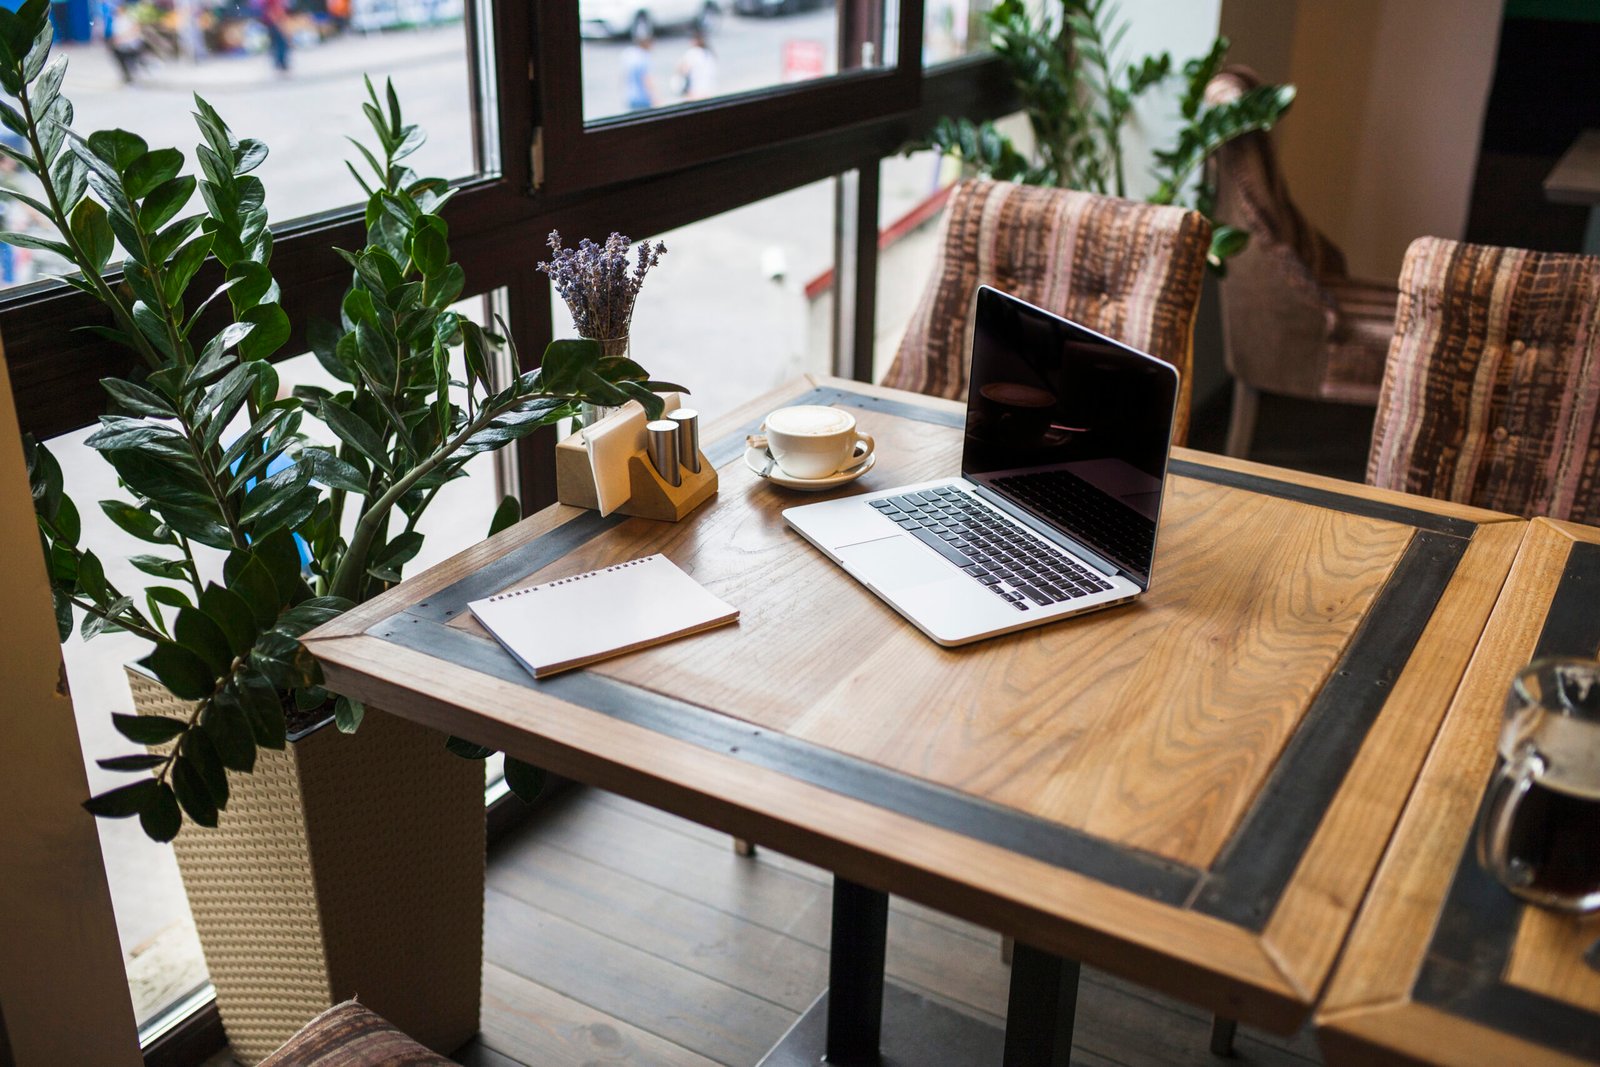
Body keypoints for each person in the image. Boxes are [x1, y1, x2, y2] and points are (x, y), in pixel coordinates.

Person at [676, 28, 716, 100]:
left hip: (695, 91)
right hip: (708, 91)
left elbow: (683, 70)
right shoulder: (709, 53)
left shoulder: (693, 53)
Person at [621, 30, 655, 111]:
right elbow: (646, 79)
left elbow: (623, 75)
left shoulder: (629, 54)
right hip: (643, 98)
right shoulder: (644, 57)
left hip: (630, 96)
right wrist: (655, 98)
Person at [258, 0, 290, 74]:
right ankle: (281, 63)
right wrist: (277, 21)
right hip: (274, 21)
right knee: (280, 42)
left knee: (277, 43)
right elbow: (272, 10)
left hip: (273, 21)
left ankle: (280, 63)